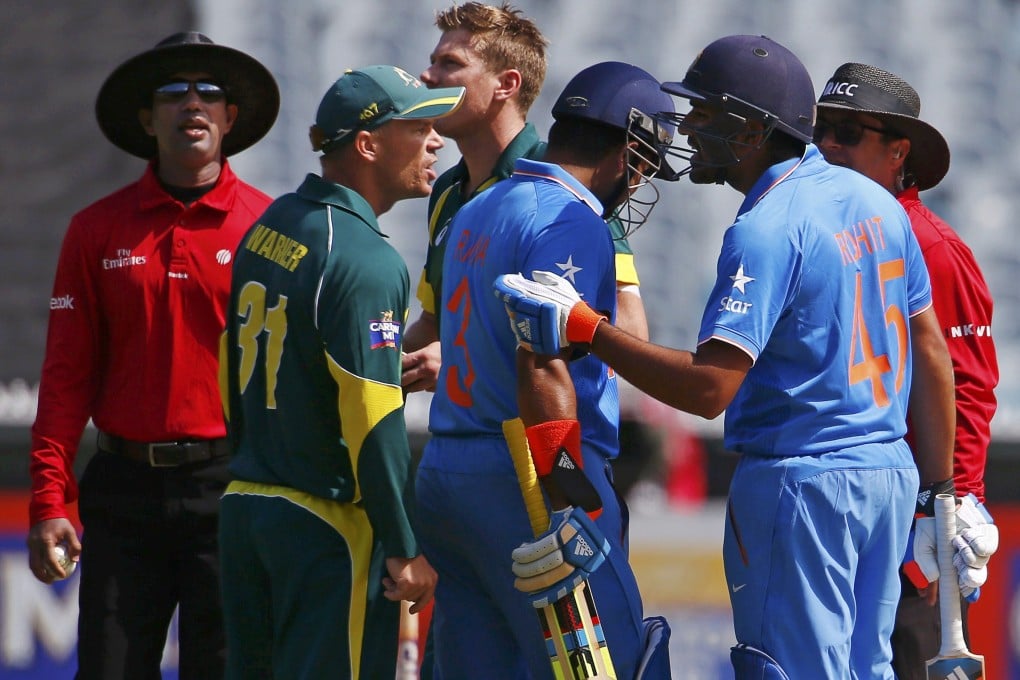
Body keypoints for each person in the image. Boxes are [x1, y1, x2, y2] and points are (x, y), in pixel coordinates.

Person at [494, 34, 957, 678]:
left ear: (750, 129)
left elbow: (709, 389)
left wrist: (587, 329)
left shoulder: (766, 227)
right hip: (889, 477)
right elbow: (931, 351)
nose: (688, 126)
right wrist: (943, 491)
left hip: (802, 484)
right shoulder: (879, 202)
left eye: (705, 114)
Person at [25, 32, 279, 678]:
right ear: (147, 119)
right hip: (123, 495)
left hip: (232, 492)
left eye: (209, 92)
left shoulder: (271, 228)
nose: (191, 104)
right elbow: (65, 378)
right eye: (173, 92)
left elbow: (295, 380)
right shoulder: (95, 229)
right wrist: (50, 501)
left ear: (230, 118)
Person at [415, 60, 677, 680]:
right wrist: (563, 485)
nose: (639, 184)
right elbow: (543, 360)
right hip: (530, 474)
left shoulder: (477, 204)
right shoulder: (573, 217)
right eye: (642, 166)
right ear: (626, 153)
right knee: (607, 668)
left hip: (446, 470)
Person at [217, 65, 464, 680]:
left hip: (245, 506)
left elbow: (232, 365)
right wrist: (405, 547)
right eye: (421, 126)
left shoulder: (271, 221)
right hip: (322, 524)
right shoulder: (365, 257)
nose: (438, 140)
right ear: (368, 144)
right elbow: (374, 419)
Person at [815, 62, 1000, 680]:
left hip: (910, 523)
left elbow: (968, 387)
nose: (827, 146)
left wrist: (948, 508)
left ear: (899, 152)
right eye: (820, 129)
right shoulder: (816, 227)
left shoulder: (933, 246)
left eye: (847, 131)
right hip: (845, 505)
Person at [401, 1, 652, 395]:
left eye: (450, 63)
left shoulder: (565, 181)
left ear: (506, 84)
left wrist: (459, 362)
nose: (427, 75)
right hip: (461, 437)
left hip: (538, 442)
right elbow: (435, 324)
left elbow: (628, 330)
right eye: (433, 61)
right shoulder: (447, 190)